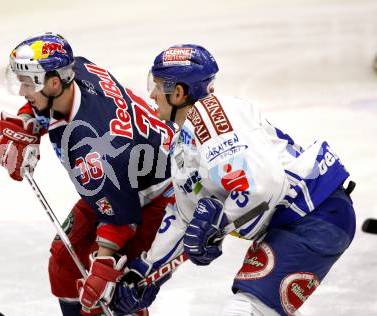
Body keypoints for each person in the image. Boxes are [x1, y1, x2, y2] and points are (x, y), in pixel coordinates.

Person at [110, 44, 356, 316]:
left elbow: (262, 185)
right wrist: (147, 272)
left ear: (178, 93)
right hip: (301, 221)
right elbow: (184, 218)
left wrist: (217, 223)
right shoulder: (185, 141)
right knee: (261, 307)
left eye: (157, 86)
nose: (153, 94)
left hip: (313, 216)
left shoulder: (210, 118)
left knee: (246, 308)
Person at [0, 32, 177, 316]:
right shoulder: (76, 69)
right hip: (120, 182)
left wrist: (104, 267)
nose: (22, 92)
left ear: (53, 82)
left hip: (157, 198)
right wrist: (26, 122)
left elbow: (120, 220)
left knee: (108, 294)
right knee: (66, 262)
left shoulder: (94, 149)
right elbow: (39, 106)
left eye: (28, 83)